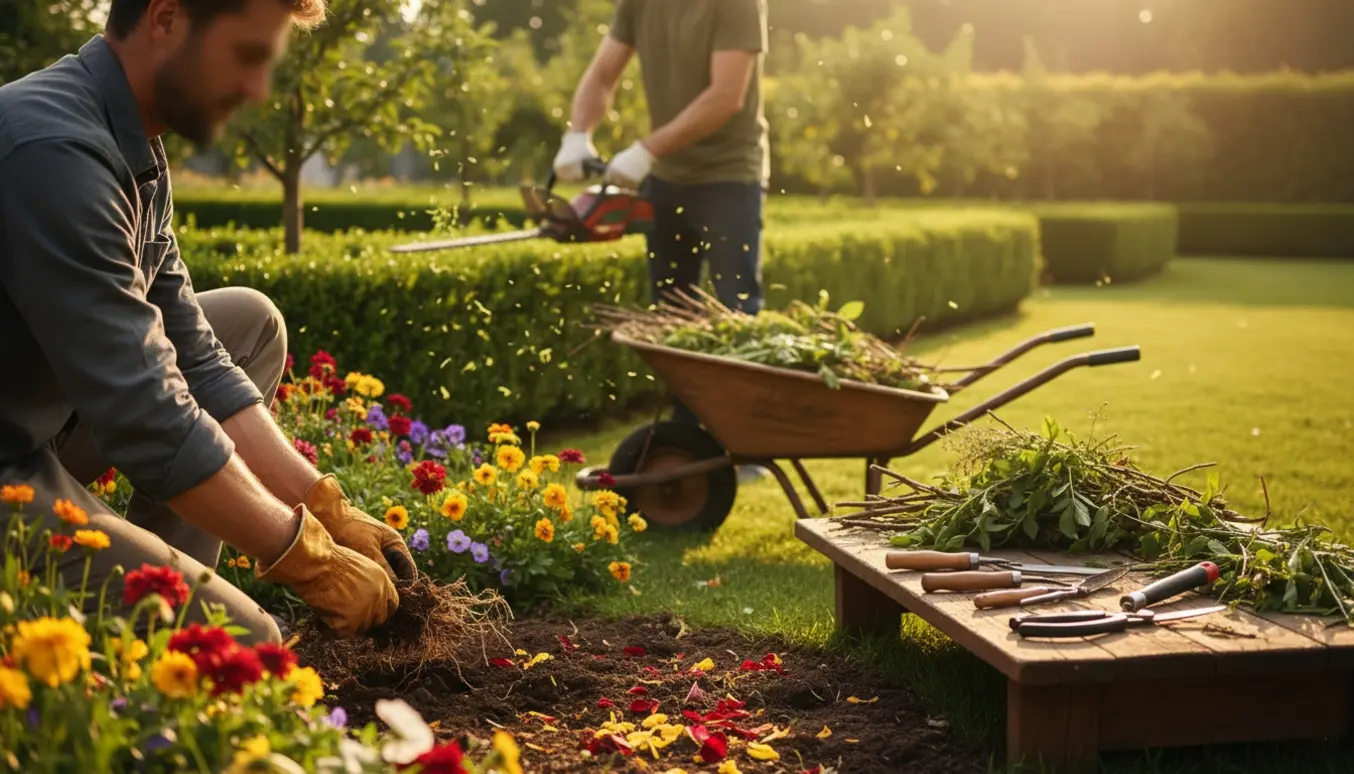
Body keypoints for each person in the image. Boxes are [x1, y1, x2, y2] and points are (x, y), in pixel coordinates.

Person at [0, 0, 415, 644]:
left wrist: (325, 508)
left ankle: (157, 589)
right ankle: (140, 629)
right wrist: (306, 559)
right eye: (246, 57)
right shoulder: (56, 152)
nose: (257, 89)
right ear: (165, 21)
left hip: (35, 418)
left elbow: (191, 353)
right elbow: (147, 414)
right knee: (245, 645)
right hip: (10, 465)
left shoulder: (130, 140)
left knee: (247, 324)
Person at [553, 0, 771, 480]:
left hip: (730, 176)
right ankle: (688, 441)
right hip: (667, 177)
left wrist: (645, 149)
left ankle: (747, 446)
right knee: (672, 315)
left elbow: (726, 95)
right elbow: (603, 73)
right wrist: (578, 133)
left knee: (737, 309)